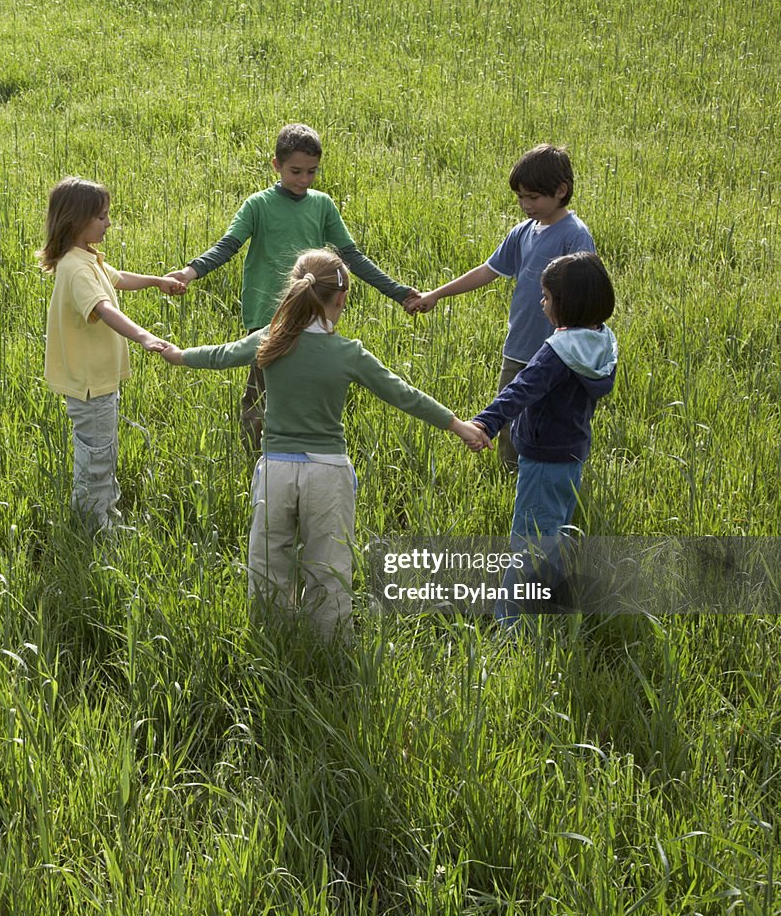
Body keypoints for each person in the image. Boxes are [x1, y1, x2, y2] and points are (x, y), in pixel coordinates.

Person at [159, 248, 489, 640]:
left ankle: (272, 636)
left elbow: (221, 354)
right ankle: (330, 643)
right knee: (329, 565)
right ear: (341, 298)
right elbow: (405, 395)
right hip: (327, 473)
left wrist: (178, 355)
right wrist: (459, 425)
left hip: (276, 472)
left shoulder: (271, 340)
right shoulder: (349, 353)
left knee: (268, 561)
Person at [166, 122, 420, 452]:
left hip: (313, 313)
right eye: (295, 171)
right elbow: (228, 245)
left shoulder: (323, 205)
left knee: (307, 389)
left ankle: (304, 449)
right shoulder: (258, 205)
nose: (303, 180)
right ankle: (256, 458)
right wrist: (190, 271)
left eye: (311, 172)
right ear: (276, 165)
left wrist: (399, 293)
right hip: (268, 316)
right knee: (260, 391)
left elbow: (352, 258)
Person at [408, 144, 595, 471]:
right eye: (520, 198)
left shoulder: (575, 237)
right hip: (519, 347)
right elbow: (488, 270)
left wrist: (580, 348)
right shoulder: (522, 232)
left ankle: (550, 474)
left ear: (561, 191)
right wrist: (435, 294)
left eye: (533, 198)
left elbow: (587, 297)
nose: (525, 205)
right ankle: (511, 475)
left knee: (551, 420)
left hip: (558, 355)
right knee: (508, 417)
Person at [470, 252, 617, 624]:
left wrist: (486, 422)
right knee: (554, 530)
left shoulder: (557, 352)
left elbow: (520, 390)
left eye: (547, 297)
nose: (542, 303)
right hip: (572, 454)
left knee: (529, 540)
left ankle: (511, 624)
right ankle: (550, 603)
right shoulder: (600, 341)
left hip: (542, 458)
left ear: (566, 305)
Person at [38, 176, 185, 534]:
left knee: (101, 450)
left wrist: (156, 281)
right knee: (97, 456)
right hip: (91, 384)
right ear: (77, 220)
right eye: (101, 217)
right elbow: (105, 308)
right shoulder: (76, 269)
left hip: (96, 382)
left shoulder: (86, 259)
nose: (108, 223)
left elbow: (117, 279)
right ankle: (94, 526)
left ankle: (102, 512)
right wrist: (145, 337)